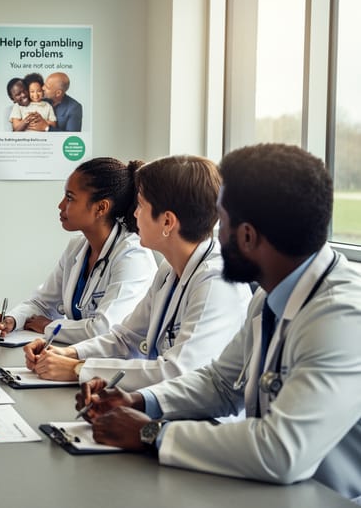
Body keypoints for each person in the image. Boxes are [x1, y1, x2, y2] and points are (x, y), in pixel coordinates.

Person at [80, 144, 361, 502]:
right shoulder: (271, 295)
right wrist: (140, 401)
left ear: (246, 236)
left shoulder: (342, 317)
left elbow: (281, 451)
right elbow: (222, 385)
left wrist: (153, 433)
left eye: (222, 223)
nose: (214, 234)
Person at [24, 155, 251, 391]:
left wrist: (78, 369)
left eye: (141, 205)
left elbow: (176, 372)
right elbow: (126, 338)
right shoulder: (169, 270)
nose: (133, 214)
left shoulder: (217, 283)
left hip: (201, 423)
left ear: (167, 222)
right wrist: (67, 352)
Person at [0, 157, 157, 343]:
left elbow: (104, 329)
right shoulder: (77, 247)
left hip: (117, 365)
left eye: (69, 198)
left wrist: (48, 326)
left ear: (101, 207)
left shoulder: (132, 255)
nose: (60, 206)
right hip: (77, 357)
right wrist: (11, 320)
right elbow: (42, 303)